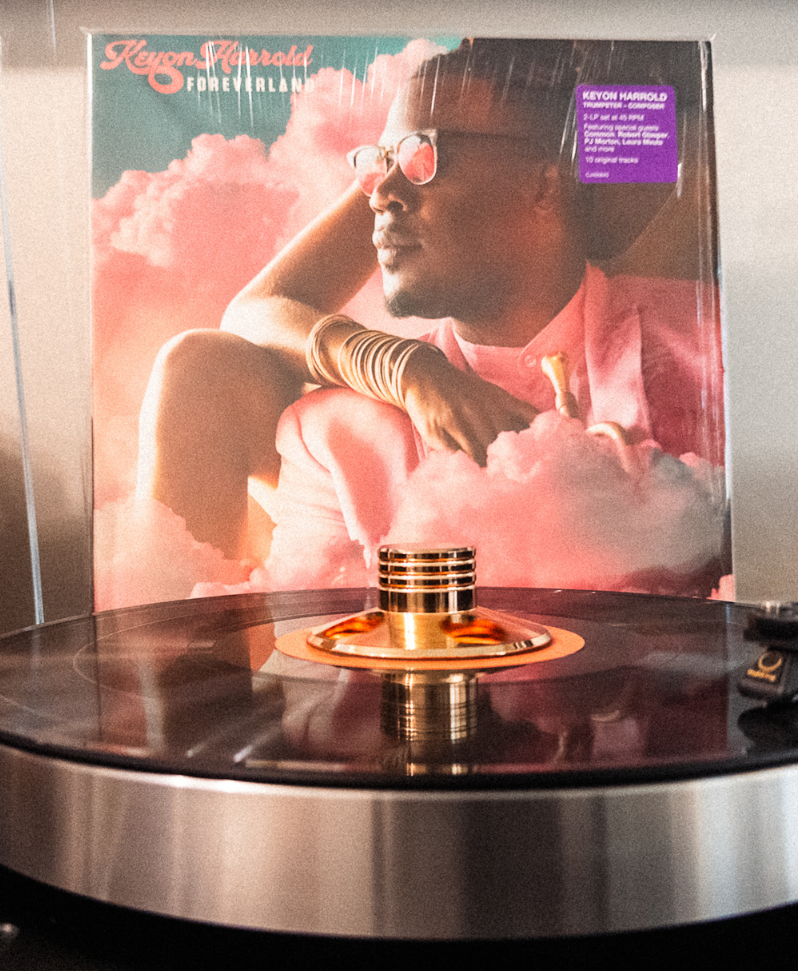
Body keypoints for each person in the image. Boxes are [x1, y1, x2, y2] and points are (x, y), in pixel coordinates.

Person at [137, 38, 724, 582]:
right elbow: (256, 309)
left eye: (422, 157)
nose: (382, 194)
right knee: (205, 372)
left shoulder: (642, 106)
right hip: (408, 445)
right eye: (380, 166)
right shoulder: (475, 88)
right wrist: (407, 370)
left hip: (662, 347)